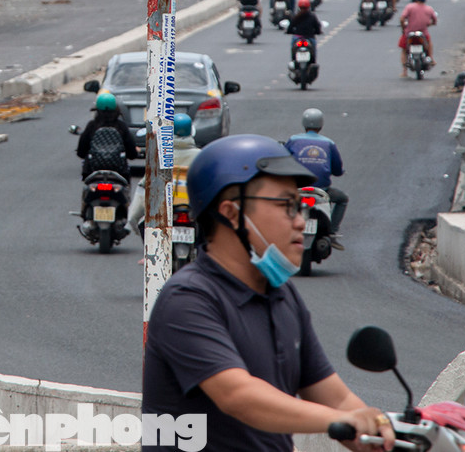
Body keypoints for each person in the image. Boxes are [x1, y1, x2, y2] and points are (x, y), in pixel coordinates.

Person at [142, 135, 396, 452]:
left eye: (301, 207)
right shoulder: (189, 298)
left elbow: (336, 396)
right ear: (231, 213)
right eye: (287, 206)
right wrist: (335, 422)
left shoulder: (282, 295)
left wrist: (377, 428)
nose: (301, 222)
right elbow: (239, 395)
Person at [128, 112, 201, 235]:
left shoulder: (160, 155)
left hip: (163, 208)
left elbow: (145, 184)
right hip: (192, 208)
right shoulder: (200, 156)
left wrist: (133, 219)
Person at [283, 108, 347, 249]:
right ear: (321, 124)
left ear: (304, 123)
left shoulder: (293, 140)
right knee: (342, 199)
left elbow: (283, 162)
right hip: (321, 190)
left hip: (297, 189)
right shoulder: (329, 143)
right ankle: (332, 232)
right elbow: (337, 170)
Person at [76, 92, 135, 183]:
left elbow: (81, 152)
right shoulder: (121, 126)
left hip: (92, 172)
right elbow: (132, 154)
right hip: (119, 172)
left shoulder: (92, 126)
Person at [398, 0, 438, 76]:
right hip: (423, 33)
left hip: (409, 33)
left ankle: (404, 71)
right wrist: (430, 24)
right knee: (429, 43)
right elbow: (434, 20)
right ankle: (431, 58)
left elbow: (402, 18)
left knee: (404, 50)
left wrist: (403, 28)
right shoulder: (429, 9)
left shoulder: (410, 7)